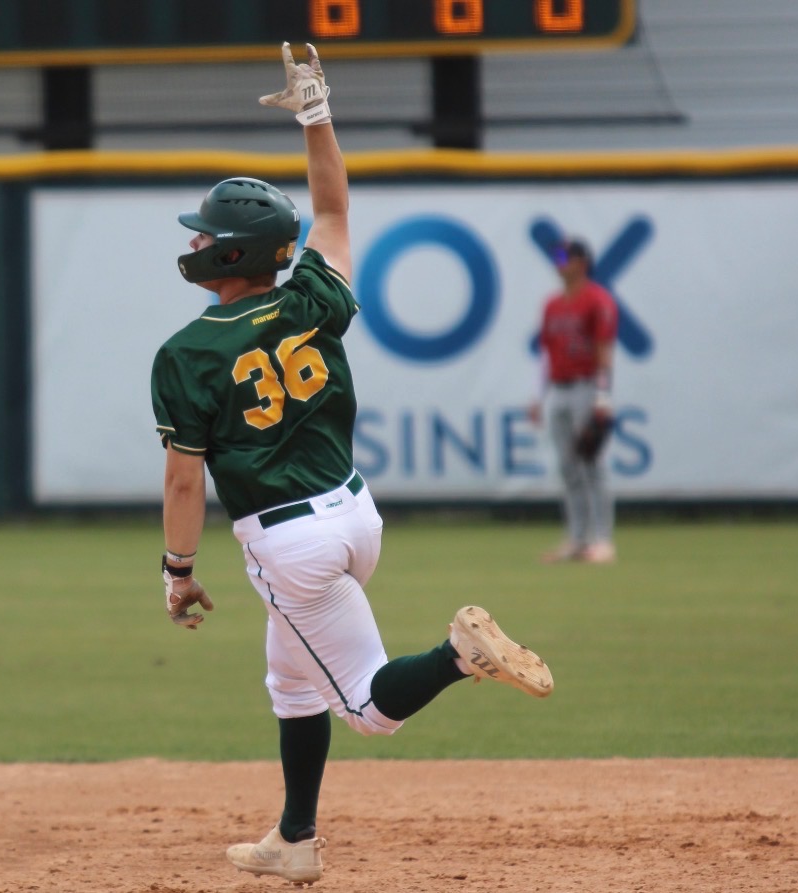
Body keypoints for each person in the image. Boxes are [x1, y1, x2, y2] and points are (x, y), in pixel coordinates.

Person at [150, 44, 554, 886]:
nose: (193, 239)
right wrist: (315, 112)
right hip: (353, 513)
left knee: (367, 708)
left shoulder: (187, 352)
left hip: (287, 544)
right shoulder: (311, 298)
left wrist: (177, 572)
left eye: (205, 233)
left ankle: (457, 655)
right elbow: (330, 211)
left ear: (228, 257)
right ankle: (293, 839)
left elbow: (184, 478)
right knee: (290, 683)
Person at [527, 239, 619, 564]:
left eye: (564, 256)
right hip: (559, 388)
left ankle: (603, 540)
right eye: (557, 256)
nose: (558, 262)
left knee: (591, 463)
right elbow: (547, 354)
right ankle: (578, 539)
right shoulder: (552, 305)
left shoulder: (597, 300)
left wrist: (603, 396)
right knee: (568, 467)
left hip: (586, 386)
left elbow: (604, 349)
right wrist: (538, 396)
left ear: (581, 262)